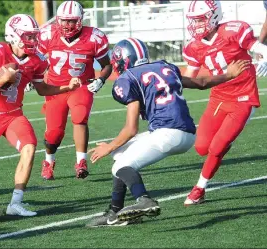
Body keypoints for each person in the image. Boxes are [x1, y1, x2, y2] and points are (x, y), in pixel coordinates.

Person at [85, 38, 249, 227]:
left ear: (124, 60)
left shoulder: (128, 78)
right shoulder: (165, 67)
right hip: (186, 133)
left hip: (167, 133)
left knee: (119, 165)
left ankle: (144, 200)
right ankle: (114, 212)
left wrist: (109, 146)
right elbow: (201, 82)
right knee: (120, 153)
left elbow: (131, 129)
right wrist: (228, 75)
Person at [0, 13, 81, 217]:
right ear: (13, 35)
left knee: (29, 146)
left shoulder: (37, 60)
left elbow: (42, 89)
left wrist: (66, 87)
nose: (33, 40)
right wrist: (5, 79)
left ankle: (15, 203)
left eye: (34, 36)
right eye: (28, 36)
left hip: (14, 115)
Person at [182, 0, 267, 205]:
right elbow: (189, 77)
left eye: (201, 19)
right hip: (219, 98)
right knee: (202, 148)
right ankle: (221, 147)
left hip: (243, 98)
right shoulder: (194, 47)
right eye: (194, 21)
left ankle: (199, 188)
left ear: (214, 15)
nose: (197, 25)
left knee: (217, 147)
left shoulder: (233, 31)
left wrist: (264, 58)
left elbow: (260, 48)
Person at [35, 1, 113, 180]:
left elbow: (106, 65)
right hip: (55, 88)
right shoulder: (47, 34)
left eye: (72, 21)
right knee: (54, 133)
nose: (67, 25)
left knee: (80, 117)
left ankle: (81, 162)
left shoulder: (94, 37)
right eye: (64, 21)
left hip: (81, 86)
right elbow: (36, 61)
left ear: (80, 20)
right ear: (58, 20)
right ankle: (48, 161)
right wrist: (35, 78)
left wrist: (101, 79)